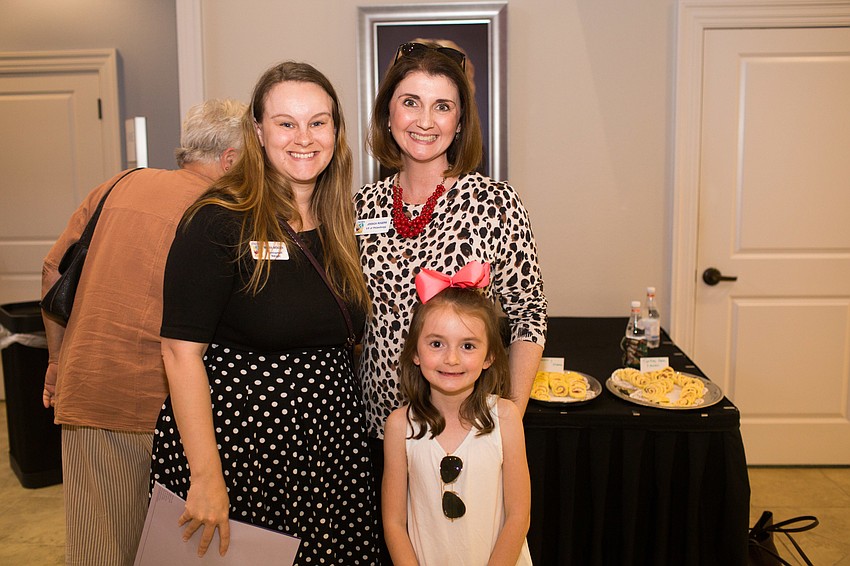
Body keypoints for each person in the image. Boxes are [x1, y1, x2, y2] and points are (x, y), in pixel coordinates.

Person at [149, 61, 379, 564]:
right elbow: (179, 354)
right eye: (285, 123)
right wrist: (206, 477)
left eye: (318, 122)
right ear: (257, 131)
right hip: (244, 448)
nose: (304, 138)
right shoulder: (219, 218)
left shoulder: (340, 221)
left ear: (336, 130)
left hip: (329, 446)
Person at [40, 98, 246, 566]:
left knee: (100, 546)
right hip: (178, 406)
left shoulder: (116, 184)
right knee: (188, 549)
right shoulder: (223, 213)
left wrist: (56, 361)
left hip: (91, 388)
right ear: (230, 159)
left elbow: (53, 273)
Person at [355, 40, 547, 502]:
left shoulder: (496, 203)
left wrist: (509, 419)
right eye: (410, 102)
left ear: (460, 122)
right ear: (387, 114)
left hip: (468, 435)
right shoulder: (361, 207)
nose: (425, 121)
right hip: (378, 431)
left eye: (442, 106)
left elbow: (529, 316)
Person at [382, 264, 533, 565]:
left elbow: (518, 516)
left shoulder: (506, 418)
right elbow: (394, 523)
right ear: (415, 352)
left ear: (489, 356)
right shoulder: (399, 426)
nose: (451, 358)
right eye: (437, 344)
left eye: (467, 346)